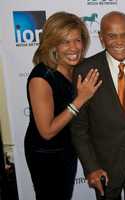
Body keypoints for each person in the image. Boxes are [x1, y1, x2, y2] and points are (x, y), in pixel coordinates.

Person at [71, 11, 125, 200]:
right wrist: (91, 167)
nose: (119, 41)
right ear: (101, 38)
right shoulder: (86, 70)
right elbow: (79, 128)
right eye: (112, 35)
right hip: (104, 167)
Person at [24, 11, 102, 200]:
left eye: (77, 40)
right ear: (53, 44)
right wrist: (80, 99)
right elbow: (47, 131)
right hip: (47, 154)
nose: (73, 47)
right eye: (65, 42)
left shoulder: (77, 67)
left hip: (68, 147)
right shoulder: (41, 78)